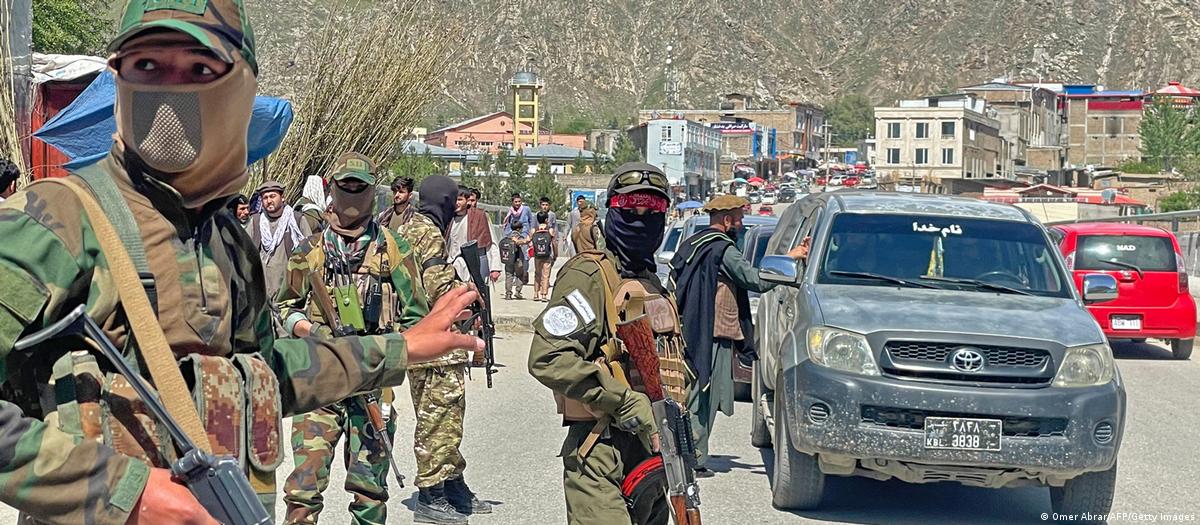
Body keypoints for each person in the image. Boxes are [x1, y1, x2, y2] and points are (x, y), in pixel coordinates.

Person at [0, 3, 480, 524]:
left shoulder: (226, 240)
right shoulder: (53, 220)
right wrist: (122, 491)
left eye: (201, 70)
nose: (170, 91)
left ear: (242, 88)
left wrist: (400, 348)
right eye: (147, 67)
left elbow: (265, 379)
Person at [528, 162, 688, 525]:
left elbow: (673, 363)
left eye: (652, 211)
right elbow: (548, 357)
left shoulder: (653, 283)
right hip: (602, 455)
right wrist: (626, 402)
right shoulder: (589, 277)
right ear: (610, 211)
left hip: (654, 459)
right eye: (629, 210)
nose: (640, 219)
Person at [277, 153, 415, 525]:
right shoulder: (309, 251)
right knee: (303, 491)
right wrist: (315, 332)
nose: (352, 194)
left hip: (371, 383)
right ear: (331, 190)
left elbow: (417, 314)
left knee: (370, 491)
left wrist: (388, 343)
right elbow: (285, 307)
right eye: (345, 186)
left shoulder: (394, 250)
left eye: (360, 187)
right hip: (320, 381)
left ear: (373, 191)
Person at [669, 195, 804, 477]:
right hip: (712, 332)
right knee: (704, 395)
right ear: (727, 220)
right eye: (739, 218)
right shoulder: (723, 248)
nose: (742, 224)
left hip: (691, 326)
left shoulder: (693, 242)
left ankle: (689, 455)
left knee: (695, 391)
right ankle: (693, 458)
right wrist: (788, 262)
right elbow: (754, 279)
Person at [397, 175, 492, 524]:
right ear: (445, 202)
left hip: (416, 337)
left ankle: (452, 484)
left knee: (444, 416)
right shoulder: (429, 234)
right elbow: (437, 286)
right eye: (455, 201)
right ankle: (431, 493)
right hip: (434, 339)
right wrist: (467, 294)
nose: (459, 207)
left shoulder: (407, 229)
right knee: (439, 416)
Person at [249, 180, 313, 303]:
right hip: (261, 290)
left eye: (273, 196)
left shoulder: (297, 220)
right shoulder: (255, 222)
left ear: (282, 198)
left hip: (289, 289)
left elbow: (310, 254)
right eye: (265, 197)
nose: (269, 200)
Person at [448, 186, 501, 285]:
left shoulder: (480, 217)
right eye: (454, 200)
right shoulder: (448, 217)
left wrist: (495, 267)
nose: (456, 203)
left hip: (475, 265)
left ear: (467, 201)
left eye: (460, 200)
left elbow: (490, 242)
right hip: (452, 265)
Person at [531, 212, 558, 301]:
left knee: (537, 274)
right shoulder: (549, 230)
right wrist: (555, 253)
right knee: (546, 275)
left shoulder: (534, 230)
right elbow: (554, 243)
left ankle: (535, 294)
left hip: (537, 255)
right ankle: (544, 295)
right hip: (547, 255)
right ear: (546, 220)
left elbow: (528, 240)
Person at [501, 223, 529, 300]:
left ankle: (508, 294)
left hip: (508, 259)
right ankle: (518, 292)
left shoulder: (507, 236)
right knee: (519, 275)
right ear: (518, 229)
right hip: (517, 259)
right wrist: (527, 240)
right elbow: (520, 242)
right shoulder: (519, 237)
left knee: (509, 276)